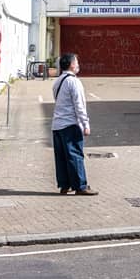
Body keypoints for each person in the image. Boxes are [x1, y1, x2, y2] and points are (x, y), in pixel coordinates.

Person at [51, 53, 98, 196]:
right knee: (75, 155)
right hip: (70, 124)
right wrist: (85, 124)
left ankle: (65, 185)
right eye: (76, 62)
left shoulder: (58, 81)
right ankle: (80, 185)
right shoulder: (74, 82)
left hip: (57, 125)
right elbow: (79, 105)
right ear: (72, 64)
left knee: (61, 156)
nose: (78, 64)